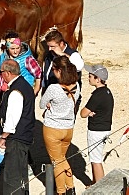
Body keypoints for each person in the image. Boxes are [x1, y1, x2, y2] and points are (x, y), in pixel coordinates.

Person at [39, 55, 80, 195]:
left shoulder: (54, 88)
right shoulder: (77, 85)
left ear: (58, 71)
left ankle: (62, 191)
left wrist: (49, 104)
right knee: (62, 159)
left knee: (57, 162)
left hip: (53, 128)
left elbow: (41, 104)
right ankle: (71, 187)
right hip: (68, 128)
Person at [0, 59, 36, 195]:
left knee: (12, 177)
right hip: (24, 135)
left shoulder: (16, 91)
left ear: (7, 73)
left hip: (16, 138)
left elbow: (12, 118)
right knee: (21, 174)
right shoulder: (25, 85)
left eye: (1, 72)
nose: (0, 75)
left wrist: (3, 137)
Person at [80, 63, 114, 184]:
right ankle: (95, 183)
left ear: (98, 79)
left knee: (96, 160)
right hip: (105, 128)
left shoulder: (97, 95)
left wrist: (88, 113)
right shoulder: (107, 92)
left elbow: (83, 113)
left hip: (96, 131)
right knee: (96, 158)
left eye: (91, 76)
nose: (88, 77)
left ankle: (99, 187)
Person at [40, 29, 85, 100]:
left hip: (68, 97)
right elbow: (46, 72)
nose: (49, 49)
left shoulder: (73, 54)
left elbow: (79, 66)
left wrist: (62, 54)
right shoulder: (50, 53)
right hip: (51, 95)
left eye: (52, 46)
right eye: (48, 46)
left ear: (61, 44)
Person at [0, 34, 42, 99]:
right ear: (7, 48)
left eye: (18, 48)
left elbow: (38, 75)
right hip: (6, 93)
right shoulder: (2, 57)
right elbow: (0, 74)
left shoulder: (27, 59)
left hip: (23, 93)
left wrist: (33, 93)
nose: (15, 51)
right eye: (12, 49)